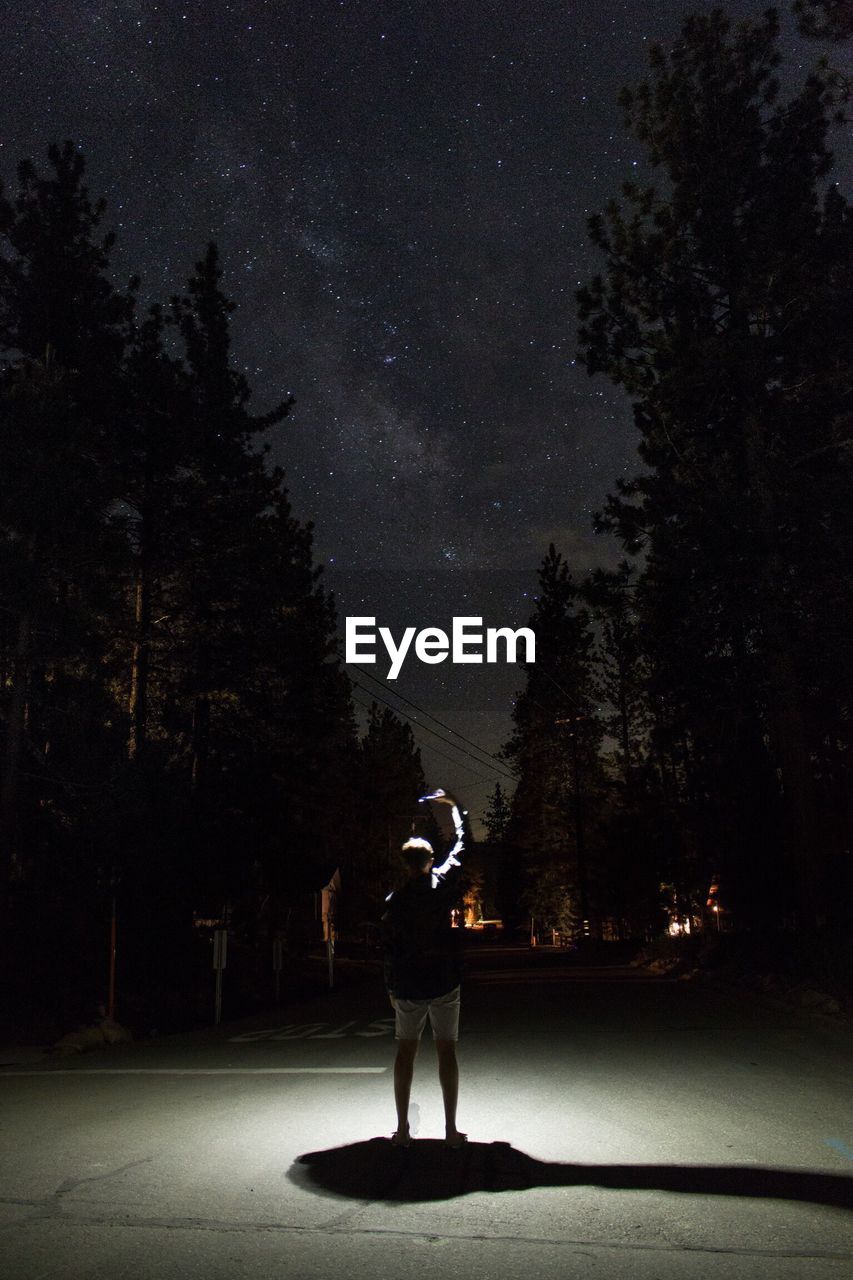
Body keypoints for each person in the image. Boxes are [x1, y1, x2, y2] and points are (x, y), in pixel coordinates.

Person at [381, 787, 467, 1149]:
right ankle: (450, 1130)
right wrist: (455, 808)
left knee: (406, 1051)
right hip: (443, 980)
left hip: (408, 984)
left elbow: (389, 948)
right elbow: (464, 846)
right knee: (446, 1050)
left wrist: (390, 986)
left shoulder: (395, 901)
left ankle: (402, 1131)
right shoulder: (442, 885)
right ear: (431, 860)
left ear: (405, 863)